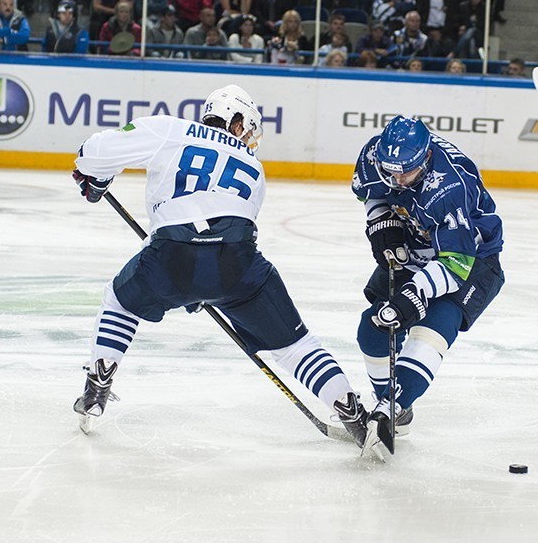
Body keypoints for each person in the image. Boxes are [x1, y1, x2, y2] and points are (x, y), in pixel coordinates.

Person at [70, 84, 370, 447]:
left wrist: (97, 178)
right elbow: (234, 225)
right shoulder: (253, 166)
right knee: (295, 344)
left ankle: (98, 384)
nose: (248, 137)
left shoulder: (169, 129)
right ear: (235, 119)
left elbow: (93, 152)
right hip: (237, 265)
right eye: (247, 127)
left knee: (120, 302)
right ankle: (352, 411)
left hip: (170, 258)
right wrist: (208, 285)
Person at [350, 115, 504, 459]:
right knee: (371, 328)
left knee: (432, 328)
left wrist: (416, 291)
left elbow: (455, 263)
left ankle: (394, 406)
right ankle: (389, 408)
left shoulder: (449, 188)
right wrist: (381, 222)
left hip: (470, 258)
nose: (397, 179)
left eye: (406, 172)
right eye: (391, 171)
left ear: (427, 157)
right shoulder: (374, 156)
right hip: (417, 244)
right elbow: (372, 194)